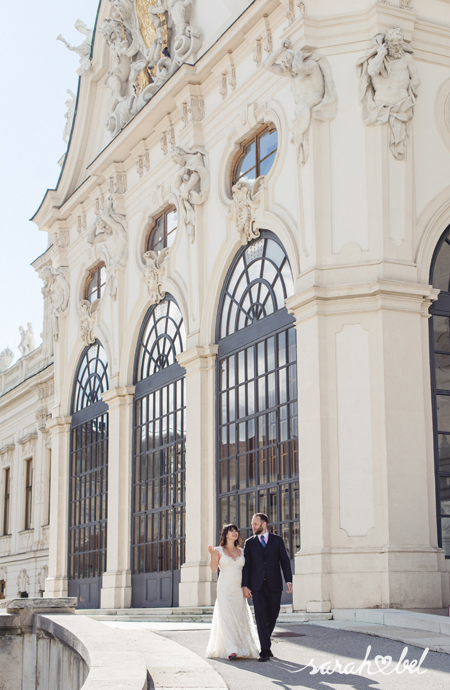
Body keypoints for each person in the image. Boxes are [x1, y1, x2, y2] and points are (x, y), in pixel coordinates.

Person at [242, 513, 293, 662]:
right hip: (257, 586)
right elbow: (247, 566)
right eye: (252, 524)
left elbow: (284, 561)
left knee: (273, 613)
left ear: (264, 524)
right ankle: (265, 650)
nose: (253, 527)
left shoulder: (277, 540)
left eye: (255, 524)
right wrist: (245, 585)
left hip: (274, 584)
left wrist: (288, 580)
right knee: (260, 616)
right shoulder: (249, 543)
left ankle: (265, 639)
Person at [206, 524, 259, 660]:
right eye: (231, 531)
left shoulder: (241, 551)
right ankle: (231, 649)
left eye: (236, 531)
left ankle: (241, 647)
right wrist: (212, 555)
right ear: (225, 534)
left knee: (239, 617)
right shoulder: (218, 550)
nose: (235, 533)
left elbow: (246, 570)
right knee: (226, 617)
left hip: (238, 588)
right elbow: (213, 569)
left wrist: (246, 587)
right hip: (224, 588)